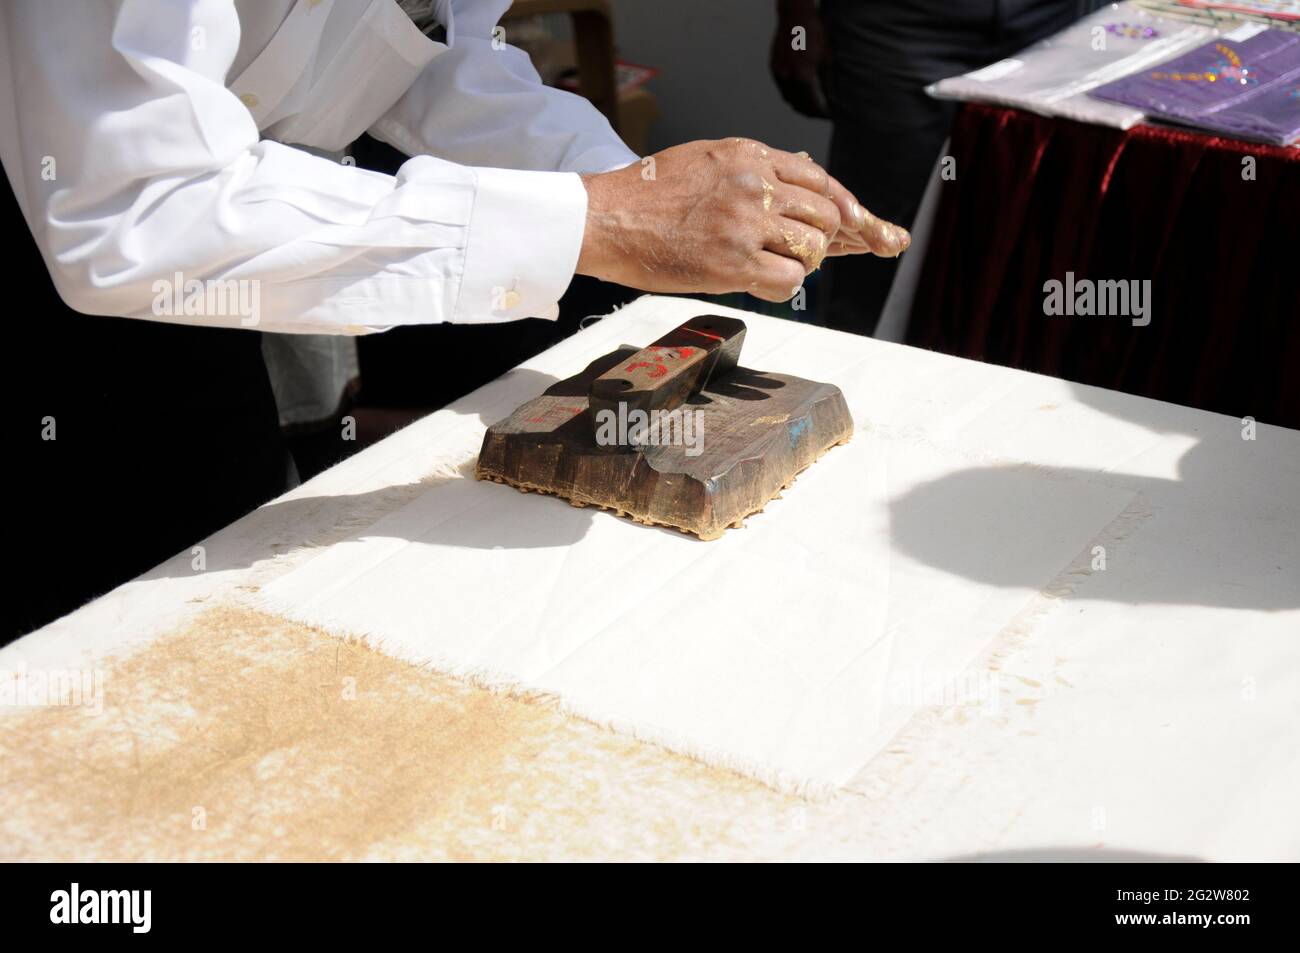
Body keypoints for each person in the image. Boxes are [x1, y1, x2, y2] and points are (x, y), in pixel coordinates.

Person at [2, 0, 908, 641]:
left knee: (206, 578)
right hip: (49, 235)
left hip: (197, 269)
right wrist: (596, 221)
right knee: (73, 653)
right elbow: (126, 205)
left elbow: (435, 56)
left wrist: (636, 188)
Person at [771, 0, 1083, 333]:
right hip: (902, 25)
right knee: (874, 243)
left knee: (1026, 236)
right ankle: (855, 375)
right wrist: (797, 14)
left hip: (1047, 20)